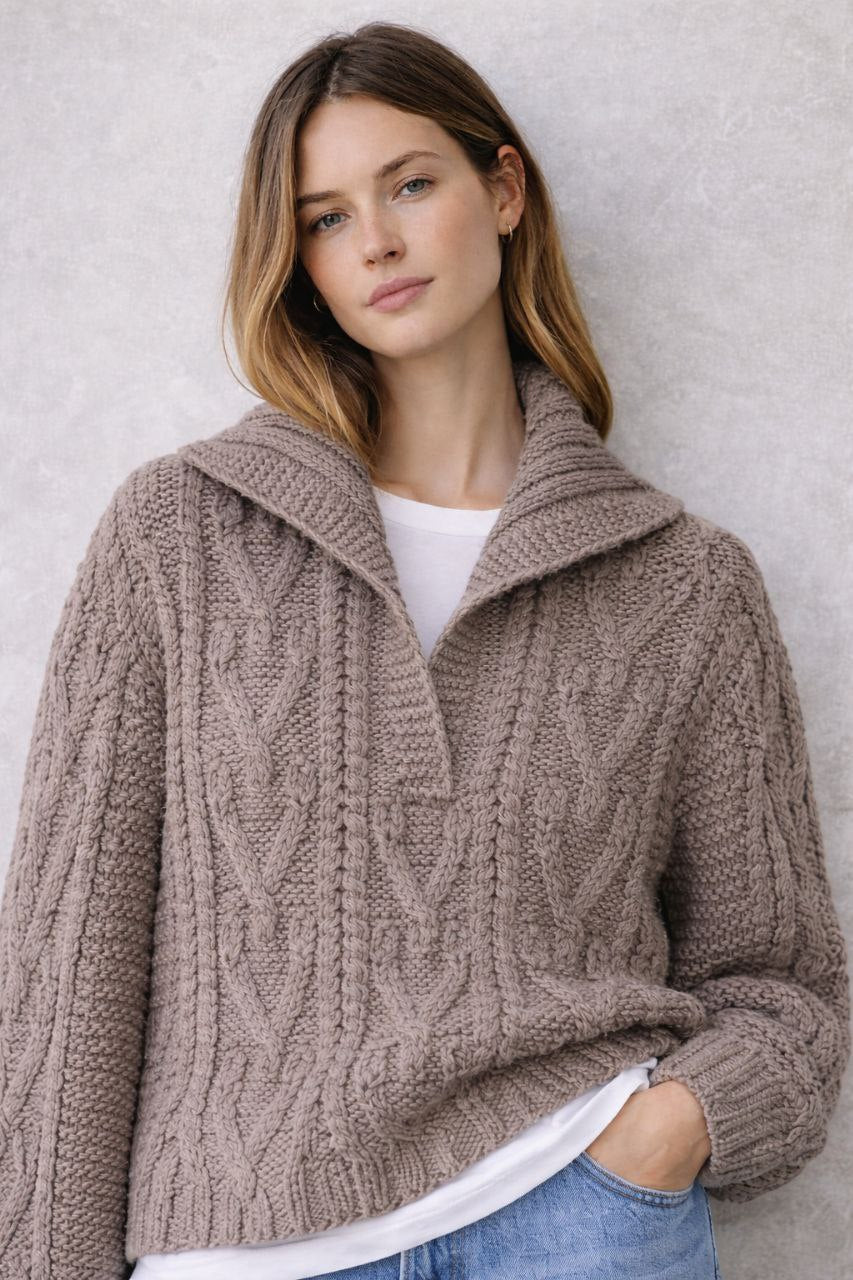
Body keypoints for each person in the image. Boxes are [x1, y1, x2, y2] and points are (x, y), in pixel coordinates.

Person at [0, 19, 849, 1280]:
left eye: (409, 184)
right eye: (327, 217)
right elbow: (69, 968)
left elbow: (778, 980)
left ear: (503, 191)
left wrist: (667, 1133)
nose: (378, 242)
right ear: (298, 259)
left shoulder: (684, 583)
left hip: (579, 1218)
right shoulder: (180, 532)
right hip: (244, 1245)